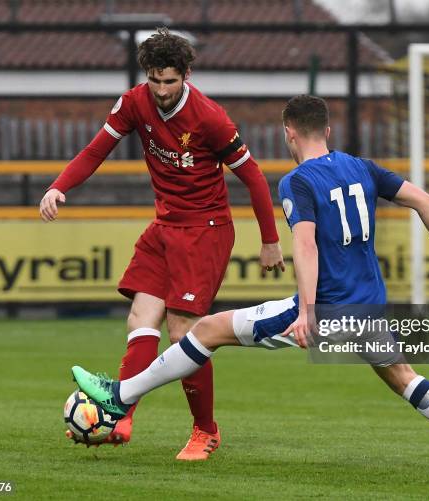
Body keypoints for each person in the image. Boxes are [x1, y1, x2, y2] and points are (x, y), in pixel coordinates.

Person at [71, 95, 429, 472]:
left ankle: (121, 395)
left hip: (324, 308)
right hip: (368, 305)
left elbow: (307, 246)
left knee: (205, 330)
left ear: (288, 133)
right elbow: (425, 200)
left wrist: (308, 312)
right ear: (327, 130)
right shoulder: (361, 168)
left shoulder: (297, 181)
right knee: (403, 377)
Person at [40, 28, 284, 460]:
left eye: (170, 81)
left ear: (186, 75)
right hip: (165, 226)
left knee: (183, 332)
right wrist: (60, 187)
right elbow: (96, 150)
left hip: (206, 230)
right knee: (141, 318)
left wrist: (269, 240)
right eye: (155, 80)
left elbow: (253, 177)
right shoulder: (134, 102)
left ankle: (205, 430)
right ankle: (121, 414)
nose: (162, 89)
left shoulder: (210, 117)